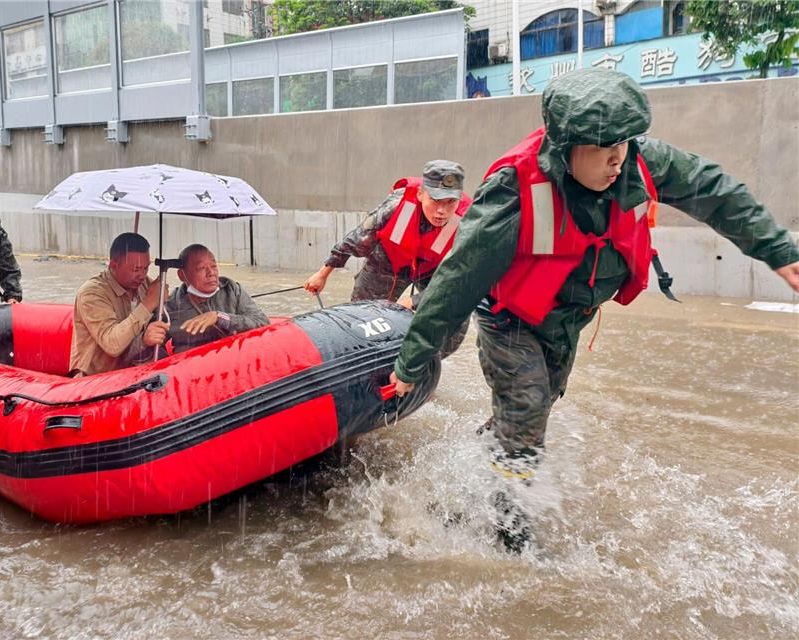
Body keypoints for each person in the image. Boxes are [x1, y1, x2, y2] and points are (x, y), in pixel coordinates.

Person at [389, 69, 799, 552]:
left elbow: (717, 192)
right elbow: (458, 278)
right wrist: (412, 361)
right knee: (525, 413)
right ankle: (508, 536)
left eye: (622, 144)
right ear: (565, 148)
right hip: (511, 321)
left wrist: (778, 250)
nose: (616, 160)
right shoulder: (515, 189)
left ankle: (464, 479)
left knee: (529, 414)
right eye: (602, 149)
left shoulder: (638, 162)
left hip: (566, 322)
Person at [303, 160, 473, 356]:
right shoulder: (396, 205)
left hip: (434, 269)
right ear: (420, 194)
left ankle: (419, 366)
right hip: (388, 261)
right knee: (360, 319)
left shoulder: (469, 222)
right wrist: (324, 273)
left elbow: (459, 281)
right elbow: (358, 238)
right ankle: (361, 361)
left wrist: (413, 302)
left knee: (457, 316)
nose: (442, 211)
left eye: (450, 201)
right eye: (435, 200)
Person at [69, 233, 170, 377]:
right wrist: (148, 303)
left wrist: (163, 302)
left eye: (146, 268)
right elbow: (112, 345)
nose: (142, 275)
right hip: (94, 379)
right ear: (114, 265)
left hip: (133, 371)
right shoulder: (92, 293)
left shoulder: (144, 284)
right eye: (135, 269)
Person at [166, 244, 269, 353]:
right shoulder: (170, 305)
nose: (211, 273)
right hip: (193, 366)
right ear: (182, 275)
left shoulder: (230, 289)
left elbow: (262, 322)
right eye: (201, 268)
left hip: (232, 359)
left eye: (214, 266)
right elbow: (155, 347)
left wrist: (220, 318)